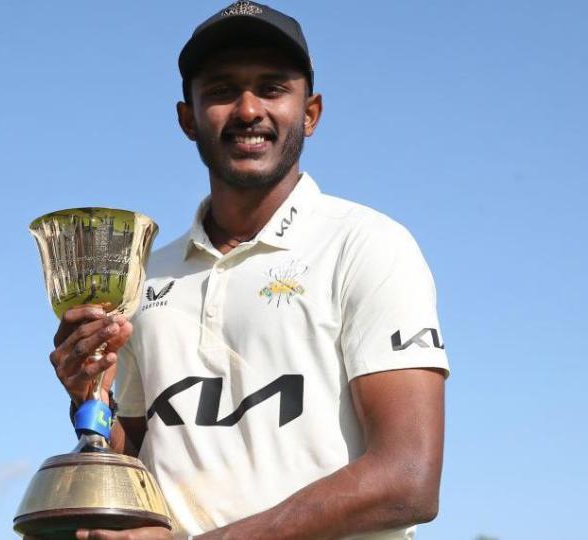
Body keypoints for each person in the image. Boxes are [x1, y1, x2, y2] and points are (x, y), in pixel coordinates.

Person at [34, 2, 450, 539]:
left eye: (273, 88)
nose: (248, 109)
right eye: (223, 90)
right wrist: (89, 398)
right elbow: (135, 461)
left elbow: (408, 479)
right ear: (187, 118)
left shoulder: (367, 245)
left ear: (311, 113)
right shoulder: (147, 275)